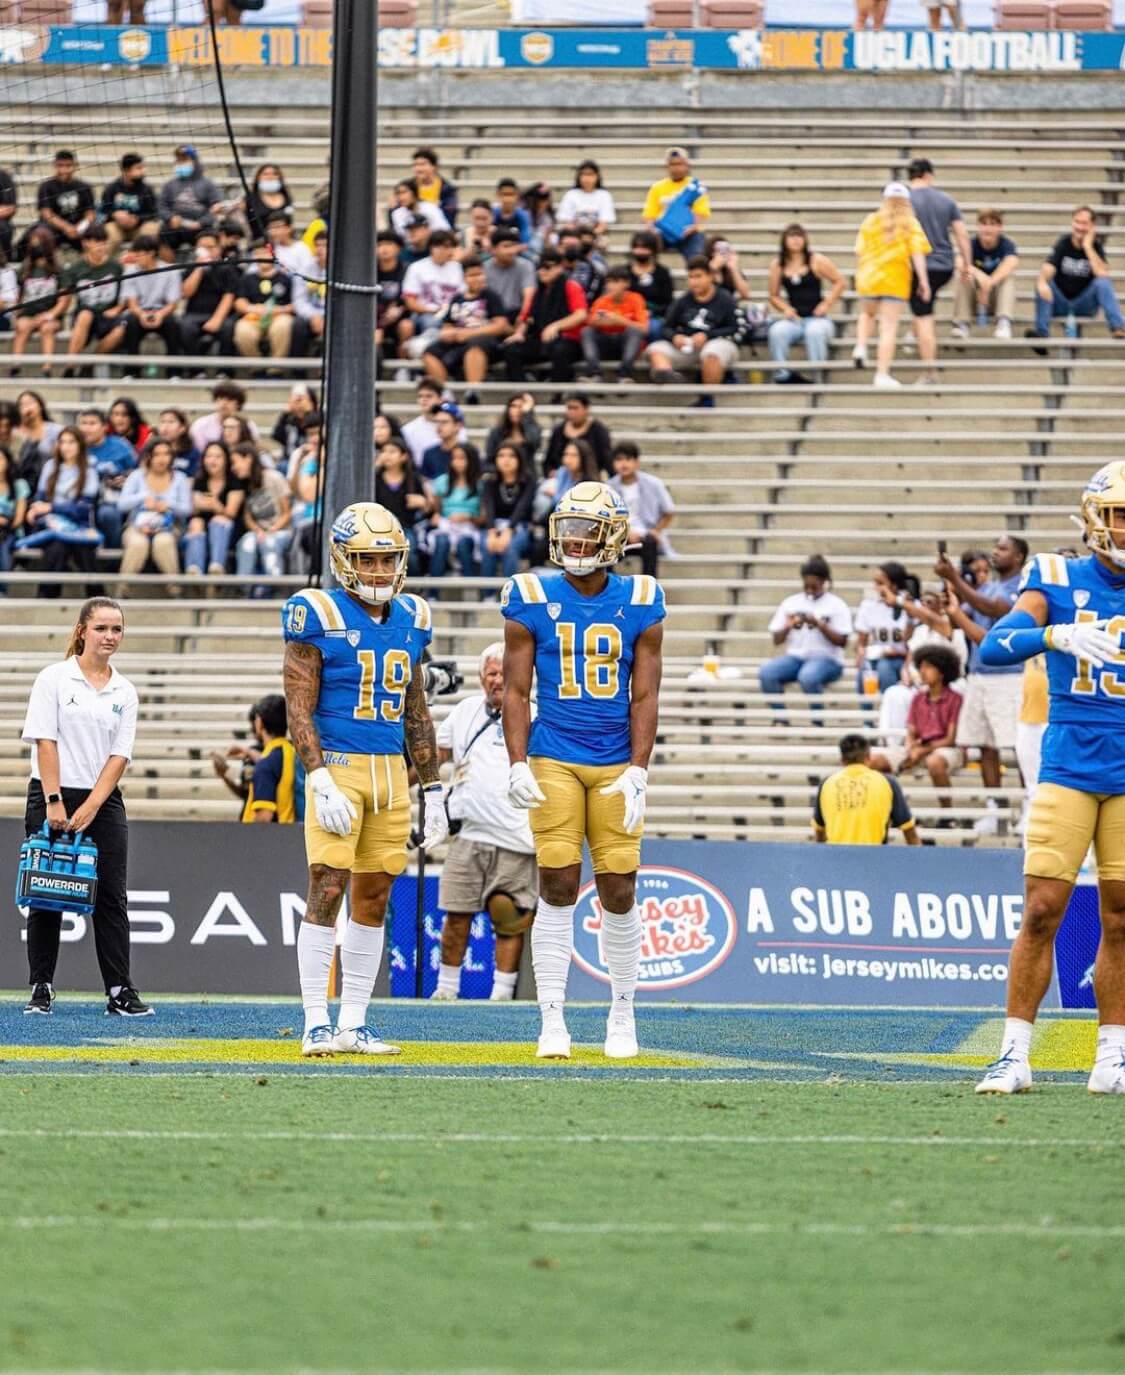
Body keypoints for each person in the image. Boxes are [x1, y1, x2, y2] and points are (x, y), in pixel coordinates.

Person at [972, 466, 1125, 1095]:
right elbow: (993, 647)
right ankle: (1013, 1053)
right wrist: (1054, 633)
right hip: (1068, 764)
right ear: (1094, 518)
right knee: (1041, 909)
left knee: (1122, 918)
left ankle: (1112, 1055)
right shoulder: (1057, 577)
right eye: (1118, 513)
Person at [502, 480, 665, 1060]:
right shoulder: (528, 595)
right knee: (558, 884)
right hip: (554, 755)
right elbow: (516, 691)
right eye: (567, 529)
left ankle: (622, 1013)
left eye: (586, 531)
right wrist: (517, 762)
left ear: (613, 536)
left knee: (620, 886)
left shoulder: (641, 597)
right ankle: (552, 1020)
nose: (573, 541)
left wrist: (640, 769)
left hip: (616, 758)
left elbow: (645, 695)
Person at [282, 502, 448, 1056]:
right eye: (368, 561)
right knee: (327, 888)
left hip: (390, 774)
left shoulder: (412, 618)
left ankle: (353, 1021)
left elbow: (416, 710)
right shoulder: (316, 612)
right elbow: (297, 707)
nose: (379, 572)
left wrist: (434, 786)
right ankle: (314, 1022)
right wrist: (319, 777)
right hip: (340, 767)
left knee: (375, 896)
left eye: (387, 561)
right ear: (343, 560)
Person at [20, 596, 150, 1016]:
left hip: (102, 800)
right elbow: (45, 740)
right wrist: (55, 800)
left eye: (116, 629)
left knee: (112, 895)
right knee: (45, 891)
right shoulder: (54, 678)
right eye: (101, 628)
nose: (110, 636)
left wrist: (94, 804)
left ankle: (119, 990)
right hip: (51, 792)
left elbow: (120, 755)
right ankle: (41, 986)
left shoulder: (124, 690)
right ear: (82, 631)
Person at [433, 643, 537, 1002]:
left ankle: (502, 995)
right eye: (492, 673)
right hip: (468, 833)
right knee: (456, 915)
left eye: (505, 672)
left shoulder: (536, 714)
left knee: (508, 920)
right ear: (481, 678)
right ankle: (446, 990)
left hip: (517, 837)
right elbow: (436, 755)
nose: (498, 680)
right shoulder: (464, 712)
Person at [935, 534, 1028, 794]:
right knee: (985, 745)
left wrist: (954, 577)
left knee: (1018, 744)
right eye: (996, 547)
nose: (995, 552)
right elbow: (954, 623)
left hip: (1009, 675)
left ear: (1018, 556)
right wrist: (951, 598)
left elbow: (993, 609)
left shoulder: (1021, 585)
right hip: (978, 673)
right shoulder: (986, 587)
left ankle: (1026, 805)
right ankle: (993, 805)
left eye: (1003, 548)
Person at [853, 181, 931, 389]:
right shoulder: (910, 223)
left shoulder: (871, 220)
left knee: (867, 314)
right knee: (888, 327)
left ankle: (861, 346)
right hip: (895, 278)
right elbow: (917, 254)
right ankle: (881, 374)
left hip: (869, 276)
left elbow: (859, 250)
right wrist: (923, 281)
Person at [869, 644, 964, 808]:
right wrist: (911, 747)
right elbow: (911, 731)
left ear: (942, 672)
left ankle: (947, 813)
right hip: (920, 747)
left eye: (928, 667)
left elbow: (950, 739)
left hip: (946, 749)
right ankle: (892, 811)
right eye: (920, 666)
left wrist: (921, 750)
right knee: (875, 761)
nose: (922, 671)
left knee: (935, 762)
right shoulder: (917, 698)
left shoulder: (955, 699)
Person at [759, 555, 853, 716]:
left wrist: (820, 625)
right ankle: (780, 717)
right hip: (796, 658)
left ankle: (817, 720)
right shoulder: (791, 602)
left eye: (814, 587)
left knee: (808, 677)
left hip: (827, 659)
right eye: (806, 586)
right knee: (767, 673)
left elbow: (842, 642)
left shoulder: (836, 605)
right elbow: (776, 639)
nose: (809, 591)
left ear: (824, 582)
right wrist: (788, 626)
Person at [906, 159, 972, 385]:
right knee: (923, 308)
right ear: (929, 175)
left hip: (916, 266)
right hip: (944, 265)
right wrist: (967, 264)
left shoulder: (904, 200)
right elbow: (962, 235)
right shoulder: (946, 200)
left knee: (924, 317)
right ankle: (912, 333)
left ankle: (929, 372)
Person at [19, 426, 101, 599]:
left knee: (82, 546)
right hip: (51, 525)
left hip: (79, 526)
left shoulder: (89, 471)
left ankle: (96, 598)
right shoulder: (50, 467)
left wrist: (51, 507)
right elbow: (39, 499)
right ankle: (47, 598)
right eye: (62, 442)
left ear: (80, 445)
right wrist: (35, 508)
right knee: (57, 545)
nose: (66, 446)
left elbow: (82, 509)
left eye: (71, 442)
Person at [646, 256, 739, 406]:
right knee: (656, 349)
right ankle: (668, 376)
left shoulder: (725, 299)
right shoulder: (683, 301)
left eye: (698, 276)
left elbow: (735, 328)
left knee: (712, 354)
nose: (694, 281)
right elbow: (666, 328)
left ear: (710, 276)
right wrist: (675, 337)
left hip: (717, 343)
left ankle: (707, 398)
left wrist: (708, 335)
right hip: (688, 344)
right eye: (690, 277)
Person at [1029, 206, 1125, 345]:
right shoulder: (1064, 243)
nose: (1079, 227)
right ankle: (1042, 335)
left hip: (1084, 305)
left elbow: (1102, 274)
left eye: (1084, 223)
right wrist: (1042, 282)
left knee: (1102, 283)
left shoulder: (1095, 246)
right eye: (1077, 222)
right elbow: (1049, 266)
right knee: (1044, 283)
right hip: (1060, 302)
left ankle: (1118, 327)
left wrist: (1087, 247)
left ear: (1092, 226)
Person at [422, 256, 509, 400]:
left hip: (484, 340)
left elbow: (500, 325)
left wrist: (469, 333)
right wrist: (448, 333)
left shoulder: (491, 296)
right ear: (464, 278)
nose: (477, 279)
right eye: (472, 275)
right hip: (458, 340)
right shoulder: (457, 298)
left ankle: (473, 390)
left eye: (479, 274)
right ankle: (444, 392)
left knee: (475, 347)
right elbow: (447, 324)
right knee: (430, 352)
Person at [767, 223, 846, 383]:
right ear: (784, 240)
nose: (796, 240)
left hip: (817, 318)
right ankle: (782, 374)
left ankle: (817, 376)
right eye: (792, 236)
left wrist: (826, 304)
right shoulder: (778, 265)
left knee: (814, 332)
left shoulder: (816, 260)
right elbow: (773, 295)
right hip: (795, 319)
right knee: (777, 331)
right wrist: (786, 308)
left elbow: (839, 281)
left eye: (800, 236)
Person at [813, 734, 920, 845]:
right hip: (874, 858)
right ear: (869, 757)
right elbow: (909, 832)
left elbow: (819, 833)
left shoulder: (826, 784)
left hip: (836, 856)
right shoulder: (888, 783)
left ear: (842, 759)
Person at [501, 250, 587, 385]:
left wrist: (556, 326)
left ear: (560, 267)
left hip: (568, 340)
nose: (542, 271)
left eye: (547, 267)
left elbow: (580, 314)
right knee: (511, 349)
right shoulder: (538, 292)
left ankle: (558, 393)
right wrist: (519, 333)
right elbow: (526, 317)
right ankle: (522, 391)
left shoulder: (571, 287)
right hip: (541, 340)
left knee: (560, 351)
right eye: (539, 268)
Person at [116, 439, 193, 585]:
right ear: (149, 456)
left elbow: (186, 510)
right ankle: (123, 588)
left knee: (163, 542)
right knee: (138, 543)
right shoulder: (137, 476)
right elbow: (122, 505)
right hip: (137, 526)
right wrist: (143, 498)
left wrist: (169, 506)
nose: (162, 459)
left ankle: (174, 588)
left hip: (169, 527)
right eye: (157, 454)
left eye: (166, 454)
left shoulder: (180, 478)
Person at [56, 226, 127, 366]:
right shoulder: (76, 269)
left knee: (122, 329)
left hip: (108, 315)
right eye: (97, 241)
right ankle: (70, 366)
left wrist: (118, 309)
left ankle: (90, 363)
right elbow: (65, 296)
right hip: (85, 314)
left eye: (103, 241)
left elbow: (128, 294)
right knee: (85, 315)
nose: (101, 246)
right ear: (85, 243)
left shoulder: (116, 267)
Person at [608, 441, 675, 579]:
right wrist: (625, 532)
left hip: (646, 535)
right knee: (606, 545)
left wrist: (656, 531)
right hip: (619, 536)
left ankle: (649, 586)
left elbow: (669, 511)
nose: (624, 464)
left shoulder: (653, 484)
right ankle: (609, 586)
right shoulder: (610, 487)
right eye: (619, 459)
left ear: (637, 462)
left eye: (628, 459)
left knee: (650, 542)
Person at [951, 209, 1019, 341]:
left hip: (995, 299)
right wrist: (980, 277)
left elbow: (1012, 262)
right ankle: (962, 323)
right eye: (984, 224)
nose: (987, 229)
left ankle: (1003, 322)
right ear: (978, 226)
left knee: (1008, 278)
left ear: (1000, 227)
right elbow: (959, 262)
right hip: (975, 298)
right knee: (964, 276)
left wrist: (989, 283)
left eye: (992, 224)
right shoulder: (971, 244)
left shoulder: (1006, 244)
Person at [232, 444, 291, 591]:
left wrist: (273, 529)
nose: (233, 467)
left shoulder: (274, 477)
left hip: (282, 530)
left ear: (248, 459)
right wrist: (257, 530)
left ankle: (275, 586)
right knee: (248, 542)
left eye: (235, 462)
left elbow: (287, 512)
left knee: (269, 543)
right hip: (259, 531)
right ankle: (244, 588)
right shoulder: (243, 484)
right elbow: (248, 517)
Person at [854, 561, 916, 696]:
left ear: (894, 586)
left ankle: (889, 712)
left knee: (885, 668)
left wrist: (898, 652)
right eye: (875, 583)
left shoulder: (911, 606)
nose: (876, 588)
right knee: (864, 673)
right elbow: (861, 641)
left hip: (903, 659)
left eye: (880, 583)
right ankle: (867, 716)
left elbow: (913, 643)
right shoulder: (869, 606)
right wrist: (860, 652)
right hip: (876, 656)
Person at [183, 439, 244, 576]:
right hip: (200, 528)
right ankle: (194, 570)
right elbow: (192, 511)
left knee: (219, 520)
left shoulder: (234, 482)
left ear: (226, 459)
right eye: (209, 456)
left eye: (218, 456)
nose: (212, 461)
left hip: (227, 529)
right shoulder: (198, 480)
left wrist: (217, 506)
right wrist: (197, 505)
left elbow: (231, 513)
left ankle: (217, 567)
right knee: (195, 522)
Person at [80, 407, 136, 551]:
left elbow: (138, 473)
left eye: (92, 423)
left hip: (111, 498)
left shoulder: (121, 446)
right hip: (81, 497)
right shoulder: (75, 446)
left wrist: (126, 480)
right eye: (84, 423)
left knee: (108, 514)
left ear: (104, 427)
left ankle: (112, 558)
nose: (87, 428)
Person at [121, 234, 183, 364]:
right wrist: (142, 315)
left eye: (139, 253)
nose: (135, 257)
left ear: (151, 253)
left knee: (173, 324)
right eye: (135, 253)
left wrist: (160, 315)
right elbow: (132, 304)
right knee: (130, 322)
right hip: (140, 312)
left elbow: (172, 304)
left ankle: (175, 372)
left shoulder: (170, 271)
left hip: (163, 311)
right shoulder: (129, 272)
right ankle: (131, 372)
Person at [580, 266, 649, 383]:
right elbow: (590, 322)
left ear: (626, 283)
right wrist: (596, 322)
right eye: (608, 282)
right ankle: (594, 374)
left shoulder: (636, 299)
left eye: (615, 282)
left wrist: (619, 320)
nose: (610, 286)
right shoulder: (601, 301)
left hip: (626, 345)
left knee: (634, 331)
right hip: (606, 345)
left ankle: (624, 375)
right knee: (586, 331)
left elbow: (644, 330)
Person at [642, 147, 711, 262]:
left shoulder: (695, 187)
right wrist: (653, 231)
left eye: (680, 164)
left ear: (687, 165)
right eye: (672, 165)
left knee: (697, 253)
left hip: (689, 233)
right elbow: (649, 216)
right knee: (643, 244)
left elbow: (700, 214)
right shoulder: (657, 187)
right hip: (663, 232)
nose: (676, 168)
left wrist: (690, 229)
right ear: (667, 167)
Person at [157, 145, 222, 262]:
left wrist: (201, 222)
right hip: (176, 226)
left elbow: (216, 208)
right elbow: (161, 207)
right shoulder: (169, 185)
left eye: (185, 160)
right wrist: (170, 218)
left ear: (195, 161)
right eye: (179, 160)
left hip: (201, 228)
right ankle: (169, 269)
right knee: (163, 233)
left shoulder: (207, 184)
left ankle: (204, 267)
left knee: (210, 238)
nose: (181, 163)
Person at [179, 230, 238, 360]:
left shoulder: (227, 268)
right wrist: (199, 268)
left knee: (228, 328)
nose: (206, 250)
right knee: (185, 327)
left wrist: (217, 319)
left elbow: (229, 296)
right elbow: (185, 293)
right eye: (202, 247)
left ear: (219, 248)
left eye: (210, 247)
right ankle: (194, 371)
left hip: (221, 314)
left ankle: (224, 371)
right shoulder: (190, 268)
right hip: (194, 314)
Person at [233, 242, 296, 363]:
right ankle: (257, 368)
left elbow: (294, 304)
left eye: (264, 253)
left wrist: (275, 310)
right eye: (257, 253)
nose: (261, 256)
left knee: (283, 326)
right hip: (253, 316)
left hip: (279, 316)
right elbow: (239, 303)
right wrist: (255, 309)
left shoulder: (285, 278)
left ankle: (276, 369)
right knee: (242, 330)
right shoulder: (247, 278)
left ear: (273, 254)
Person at [480, 443, 535, 580]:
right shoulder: (489, 482)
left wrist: (508, 531)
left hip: (520, 526)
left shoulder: (529, 481)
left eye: (511, 456)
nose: (506, 460)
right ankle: (488, 595)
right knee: (487, 546)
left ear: (519, 460)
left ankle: (509, 593)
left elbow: (521, 508)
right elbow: (489, 508)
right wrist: (492, 533)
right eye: (501, 456)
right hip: (494, 526)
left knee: (510, 547)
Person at [240, 695, 297, 824]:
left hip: (271, 838)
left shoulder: (265, 764)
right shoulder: (292, 751)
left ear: (259, 722)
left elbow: (264, 817)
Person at [11, 235, 62, 375]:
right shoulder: (25, 270)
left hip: (51, 316)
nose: (41, 262)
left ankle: (47, 368)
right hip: (29, 314)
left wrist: (50, 315)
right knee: (22, 325)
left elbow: (65, 300)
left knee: (46, 328)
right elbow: (19, 296)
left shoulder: (58, 271)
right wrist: (16, 315)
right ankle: (15, 366)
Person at [98, 153, 159, 253]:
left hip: (139, 228)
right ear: (126, 170)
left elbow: (153, 213)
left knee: (152, 228)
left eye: (143, 167)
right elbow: (104, 210)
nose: (143, 171)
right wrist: (115, 214)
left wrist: (137, 219)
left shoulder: (147, 189)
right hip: (117, 226)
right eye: (139, 168)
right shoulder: (112, 188)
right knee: (107, 232)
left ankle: (138, 263)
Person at [36, 150, 95, 253]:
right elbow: (46, 213)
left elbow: (90, 214)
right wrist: (66, 228)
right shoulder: (46, 187)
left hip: (78, 228)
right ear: (55, 166)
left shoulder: (84, 187)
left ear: (75, 166)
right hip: (54, 228)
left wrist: (79, 227)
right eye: (60, 166)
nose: (64, 170)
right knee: (41, 233)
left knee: (97, 231)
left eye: (68, 166)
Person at [543, 393, 612, 477]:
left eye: (575, 408)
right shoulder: (558, 430)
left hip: (591, 477)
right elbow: (549, 460)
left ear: (586, 409)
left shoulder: (598, 431)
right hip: (560, 478)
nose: (572, 412)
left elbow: (606, 459)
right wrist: (551, 473)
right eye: (569, 408)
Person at [627, 231, 674, 342]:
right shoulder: (625, 272)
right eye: (637, 247)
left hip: (653, 316)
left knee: (654, 328)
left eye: (644, 248)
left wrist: (651, 312)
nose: (640, 251)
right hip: (628, 314)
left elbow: (668, 302)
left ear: (653, 250)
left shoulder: (662, 273)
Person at [189, 382, 261, 452]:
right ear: (215, 401)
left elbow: (253, 451)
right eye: (220, 398)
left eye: (229, 399)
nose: (224, 403)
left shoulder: (249, 426)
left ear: (238, 403)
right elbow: (197, 452)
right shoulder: (201, 425)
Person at [484, 226, 536, 322]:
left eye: (514, 245)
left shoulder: (526, 265)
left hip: (517, 314)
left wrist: (522, 318)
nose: (512, 251)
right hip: (492, 316)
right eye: (506, 246)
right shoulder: (484, 268)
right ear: (493, 249)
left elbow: (529, 296)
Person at [556, 160, 616, 241]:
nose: (587, 178)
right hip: (574, 236)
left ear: (597, 176)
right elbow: (567, 223)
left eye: (590, 174)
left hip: (596, 235)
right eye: (583, 174)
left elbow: (603, 225)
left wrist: (590, 236)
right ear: (579, 177)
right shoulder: (570, 195)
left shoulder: (604, 195)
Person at [485, 392, 541, 469]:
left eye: (521, 407)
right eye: (513, 406)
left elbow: (534, 442)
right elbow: (489, 460)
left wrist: (526, 415)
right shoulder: (497, 432)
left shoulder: (532, 429)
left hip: (526, 477)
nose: (516, 410)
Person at [0, 446, 30, 591]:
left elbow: (18, 518)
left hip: (9, 532)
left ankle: (2, 591)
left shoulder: (19, 485)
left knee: (3, 547)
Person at [410, 146, 458, 227]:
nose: (418, 169)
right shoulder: (407, 188)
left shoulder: (447, 189)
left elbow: (449, 215)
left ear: (435, 167)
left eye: (423, 164)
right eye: (416, 165)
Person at [492, 178, 531, 245]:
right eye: (505, 194)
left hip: (517, 251)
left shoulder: (523, 216)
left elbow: (525, 241)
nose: (508, 199)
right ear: (498, 194)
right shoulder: (492, 214)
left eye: (511, 194)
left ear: (517, 195)